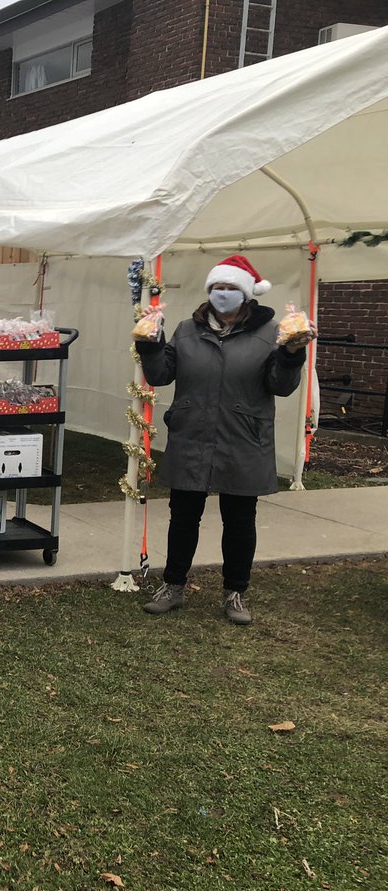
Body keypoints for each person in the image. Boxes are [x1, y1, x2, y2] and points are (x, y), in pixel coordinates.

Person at [134, 254, 316, 625]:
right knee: (183, 516)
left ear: (246, 294)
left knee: (240, 519)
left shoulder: (272, 334)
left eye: (231, 288)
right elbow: (160, 376)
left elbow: (280, 387)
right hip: (193, 436)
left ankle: (235, 592)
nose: (223, 294)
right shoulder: (187, 329)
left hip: (243, 438)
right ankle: (173, 586)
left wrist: (292, 354)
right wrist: (150, 346)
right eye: (217, 287)